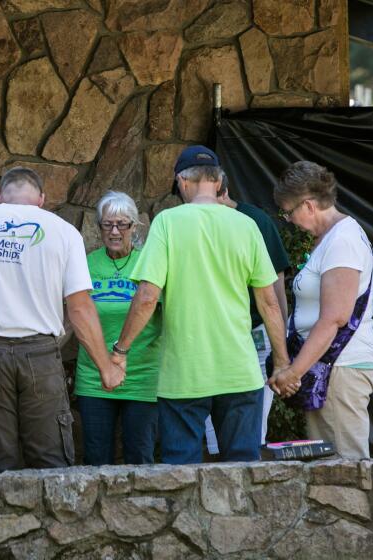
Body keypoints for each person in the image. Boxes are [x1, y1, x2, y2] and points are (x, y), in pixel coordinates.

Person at [111, 146, 297, 464]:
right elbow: (269, 303)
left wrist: (120, 352)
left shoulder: (168, 223)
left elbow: (146, 298)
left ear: (182, 182)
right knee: (243, 472)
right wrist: (281, 362)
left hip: (184, 372)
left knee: (181, 471)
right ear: (218, 181)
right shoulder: (246, 225)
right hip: (240, 371)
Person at [0, 167, 124, 472]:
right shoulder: (63, 231)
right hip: (41, 356)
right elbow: (80, 307)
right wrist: (106, 368)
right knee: (51, 461)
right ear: (42, 199)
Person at [268, 161, 373, 459]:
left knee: (346, 466)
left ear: (308, 205)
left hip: (340, 367)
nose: (288, 219)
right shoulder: (330, 239)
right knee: (329, 467)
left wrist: (294, 372)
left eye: (289, 211)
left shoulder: (342, 240)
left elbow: (334, 318)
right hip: (329, 368)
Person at [204, 172, 290, 455]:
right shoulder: (198, 221)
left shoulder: (256, 220)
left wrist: (282, 336)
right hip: (211, 336)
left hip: (255, 333)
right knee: (210, 422)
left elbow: (276, 283)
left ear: (221, 191)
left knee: (253, 419)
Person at [75, 191, 161, 465]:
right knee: (96, 458)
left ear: (134, 227)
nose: (114, 231)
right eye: (107, 224)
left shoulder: (148, 262)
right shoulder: (86, 264)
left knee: (140, 457)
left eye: (122, 224)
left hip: (142, 376)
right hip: (94, 378)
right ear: (98, 227)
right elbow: (74, 314)